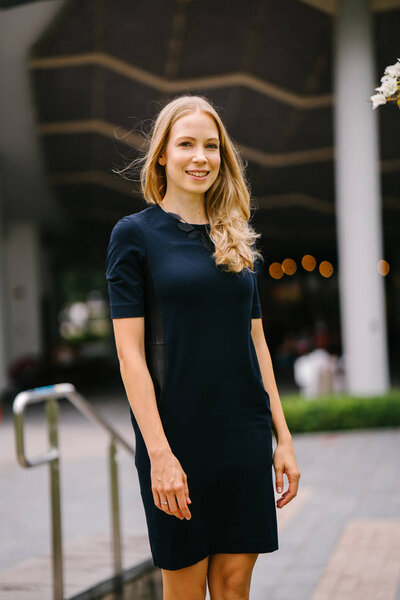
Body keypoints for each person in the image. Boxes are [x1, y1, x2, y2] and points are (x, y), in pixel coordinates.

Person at [105, 94, 300, 600]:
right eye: (186, 144)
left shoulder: (236, 237)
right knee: (185, 590)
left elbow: (256, 343)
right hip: (177, 438)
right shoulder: (134, 236)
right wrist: (160, 455)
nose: (200, 157)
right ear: (163, 156)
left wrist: (282, 437)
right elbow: (129, 355)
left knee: (235, 588)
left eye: (211, 146)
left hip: (243, 434)